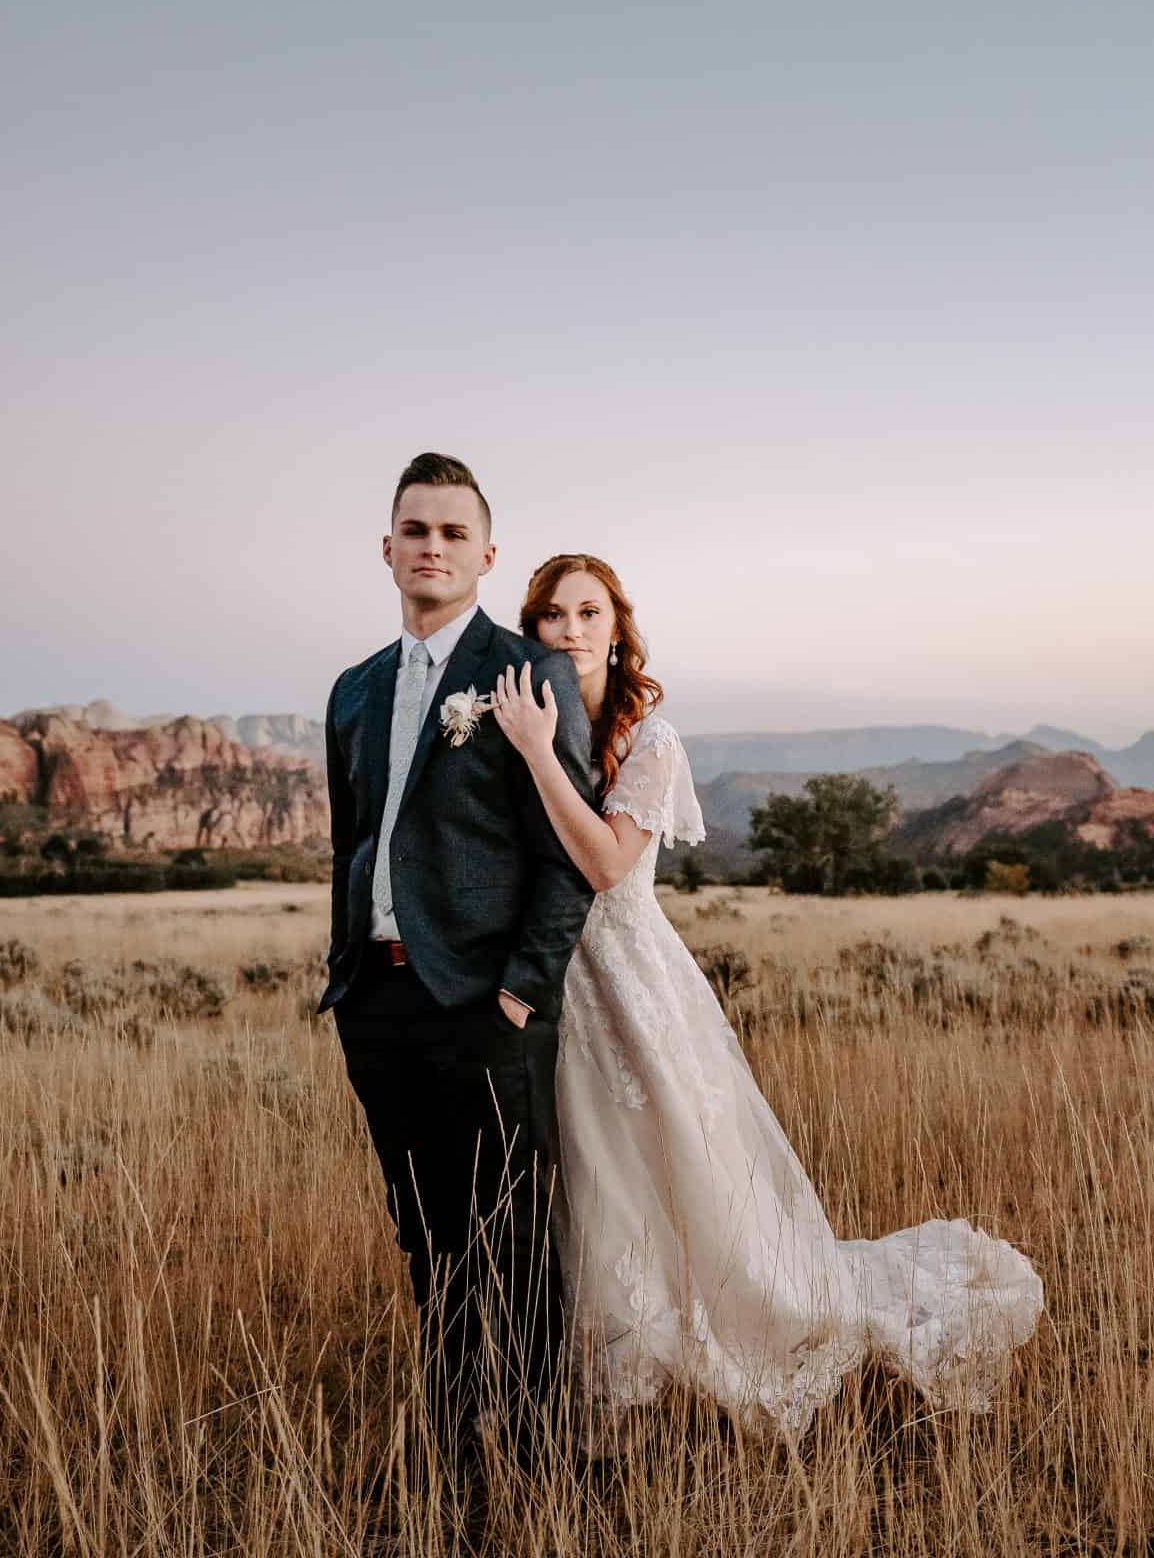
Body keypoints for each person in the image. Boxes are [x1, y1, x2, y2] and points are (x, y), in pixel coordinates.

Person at [489, 555, 1043, 1440]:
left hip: (631, 981)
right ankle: (620, 1367)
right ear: (533, 631)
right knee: (595, 1179)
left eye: (590, 613)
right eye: (553, 615)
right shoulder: (535, 721)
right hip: (552, 984)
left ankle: (726, 1337)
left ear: (619, 630)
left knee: (675, 1165)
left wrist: (532, 753)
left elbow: (606, 865)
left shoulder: (650, 739)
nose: (572, 630)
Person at [318, 454, 596, 1485]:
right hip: (378, 1002)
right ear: (387, 547)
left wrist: (521, 990)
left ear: (486, 554)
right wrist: (346, 975)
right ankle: (452, 1454)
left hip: (487, 1005)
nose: (430, 547)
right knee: (426, 1236)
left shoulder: (527, 674)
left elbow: (567, 856)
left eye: (451, 532)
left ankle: (541, 1467)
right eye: (414, 529)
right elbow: (351, 842)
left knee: (512, 1241)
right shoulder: (354, 690)